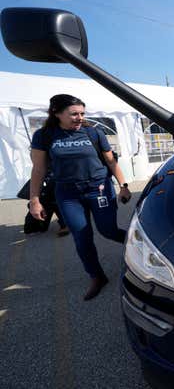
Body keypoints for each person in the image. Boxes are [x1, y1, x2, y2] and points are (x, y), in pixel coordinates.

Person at [29, 94, 131, 300]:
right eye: (73, 114)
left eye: (82, 113)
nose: (79, 117)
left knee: (108, 231)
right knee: (82, 238)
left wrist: (124, 186)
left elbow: (111, 162)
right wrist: (34, 199)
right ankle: (97, 276)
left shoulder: (94, 132)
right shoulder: (44, 135)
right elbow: (38, 169)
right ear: (56, 113)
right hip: (68, 194)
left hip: (99, 188)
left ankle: (142, 250)